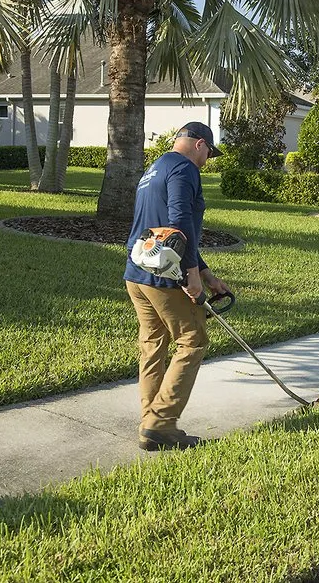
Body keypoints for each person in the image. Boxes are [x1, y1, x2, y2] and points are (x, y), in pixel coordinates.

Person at [124, 121, 230, 451]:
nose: (208, 160)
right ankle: (161, 424)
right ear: (199, 144)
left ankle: (150, 423)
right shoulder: (185, 169)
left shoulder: (154, 169)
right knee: (193, 340)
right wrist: (191, 275)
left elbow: (161, 227)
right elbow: (179, 220)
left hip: (137, 273)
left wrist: (207, 275)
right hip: (165, 276)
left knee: (153, 344)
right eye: (209, 152)